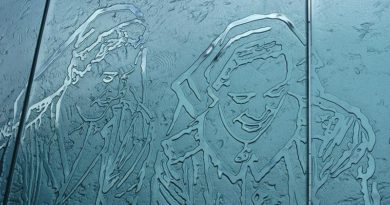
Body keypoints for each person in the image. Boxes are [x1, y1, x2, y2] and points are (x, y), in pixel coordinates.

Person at [152, 13, 379, 205]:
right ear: (214, 92)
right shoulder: (181, 158)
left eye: (274, 93)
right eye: (241, 98)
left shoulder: (336, 136)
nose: (259, 112)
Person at [8, 4, 152, 205]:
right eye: (109, 77)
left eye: (125, 77)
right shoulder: (26, 133)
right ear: (77, 71)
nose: (119, 90)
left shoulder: (126, 132)